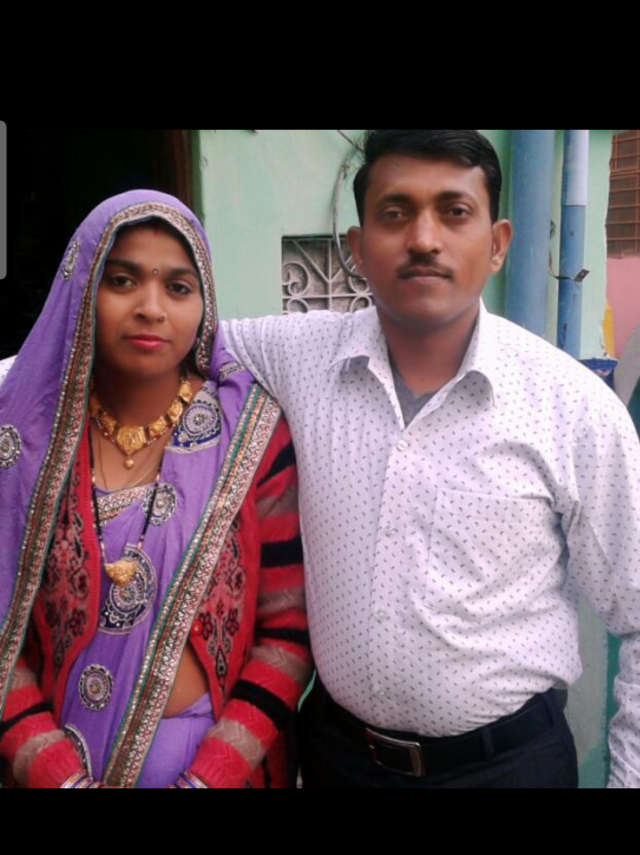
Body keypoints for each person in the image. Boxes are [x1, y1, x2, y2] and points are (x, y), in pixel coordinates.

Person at [219, 129, 640, 788]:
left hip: (506, 770)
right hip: (339, 761)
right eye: (395, 212)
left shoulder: (571, 407)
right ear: (358, 248)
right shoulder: (298, 358)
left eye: (454, 211)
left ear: (497, 243)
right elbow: (161, 335)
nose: (423, 238)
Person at [0, 189, 312, 788]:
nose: (151, 308)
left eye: (178, 287)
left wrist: (209, 778)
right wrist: (58, 776)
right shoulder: (27, 444)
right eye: (122, 281)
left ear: (204, 304)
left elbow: (288, 635)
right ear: (83, 291)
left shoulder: (249, 435)